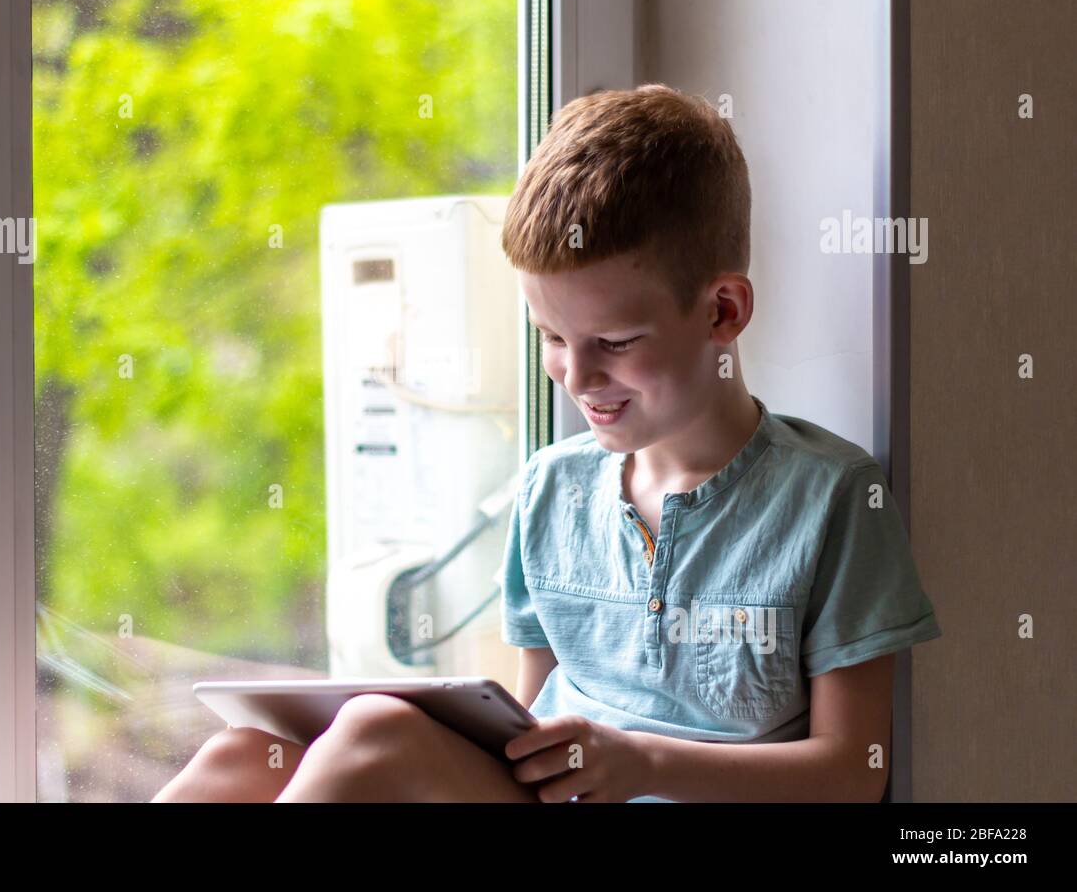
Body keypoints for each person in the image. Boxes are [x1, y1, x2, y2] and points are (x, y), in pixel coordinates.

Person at [153, 84, 941, 802]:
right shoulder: (552, 490)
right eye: (550, 336)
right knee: (241, 758)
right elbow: (523, 723)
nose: (577, 373)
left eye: (616, 340)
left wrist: (644, 762)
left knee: (373, 737)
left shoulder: (832, 496)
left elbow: (852, 773)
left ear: (723, 312)